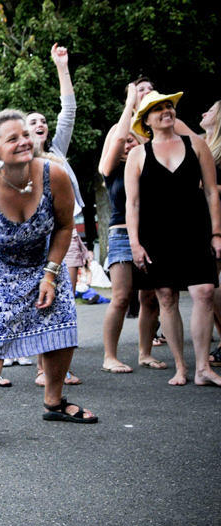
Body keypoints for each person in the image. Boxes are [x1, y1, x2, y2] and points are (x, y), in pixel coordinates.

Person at [0, 110, 97, 449]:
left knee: (62, 318)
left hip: (42, 260)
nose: (24, 142)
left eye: (25, 135)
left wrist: (50, 274)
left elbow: (65, 227)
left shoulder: (54, 176)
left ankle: (55, 401)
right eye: (13, 138)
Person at [126, 91, 221, 387]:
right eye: (158, 108)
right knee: (166, 297)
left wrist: (217, 232)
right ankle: (181, 366)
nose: (167, 111)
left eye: (169, 106)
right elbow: (133, 204)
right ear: (146, 121)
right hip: (156, 234)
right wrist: (135, 244)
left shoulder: (197, 144)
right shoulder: (138, 155)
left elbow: (211, 191)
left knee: (204, 291)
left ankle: (203, 367)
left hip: (196, 229)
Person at [24, 44, 88, 385]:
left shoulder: (57, 151)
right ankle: (40, 367)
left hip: (67, 231)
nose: (41, 124)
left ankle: (60, 365)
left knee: (66, 298)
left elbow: (69, 111)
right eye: (32, 121)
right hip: (37, 236)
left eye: (43, 121)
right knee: (42, 296)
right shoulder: (19, 163)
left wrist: (62, 67)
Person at [99, 83, 163, 374]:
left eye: (132, 141)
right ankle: (109, 356)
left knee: (150, 296)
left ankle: (145, 352)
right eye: (122, 141)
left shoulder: (149, 165)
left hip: (152, 234)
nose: (127, 143)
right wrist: (130, 104)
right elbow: (119, 137)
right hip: (122, 235)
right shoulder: (112, 169)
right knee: (122, 296)